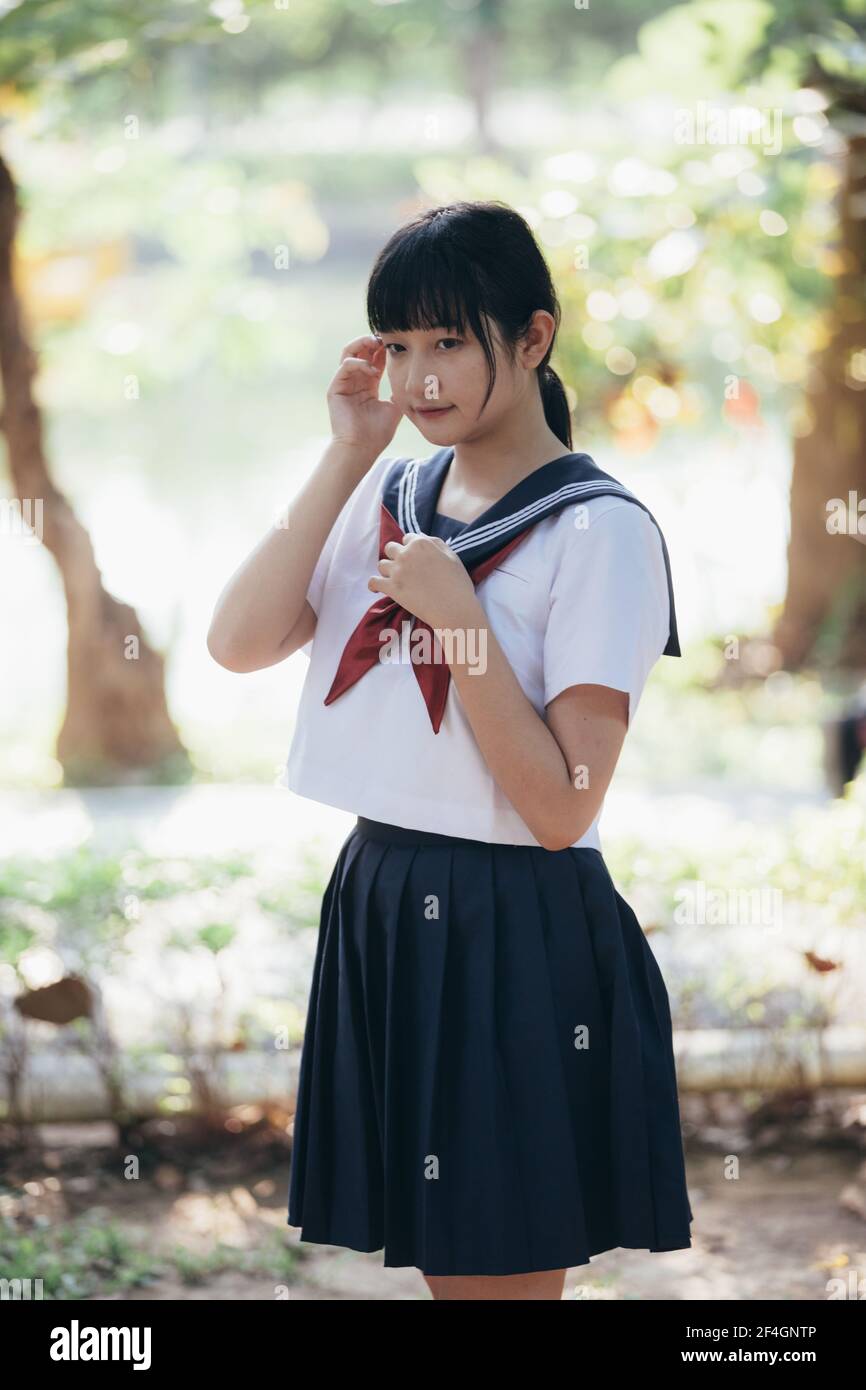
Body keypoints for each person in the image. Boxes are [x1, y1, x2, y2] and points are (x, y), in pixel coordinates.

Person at [208, 200, 693, 1301]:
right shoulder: (390, 491)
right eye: (398, 346)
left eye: (447, 343)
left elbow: (564, 807)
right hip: (383, 891)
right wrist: (345, 456)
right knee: (444, 1268)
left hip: (511, 920)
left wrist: (457, 614)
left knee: (495, 1279)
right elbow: (238, 643)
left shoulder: (599, 530)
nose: (419, 378)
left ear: (531, 337)